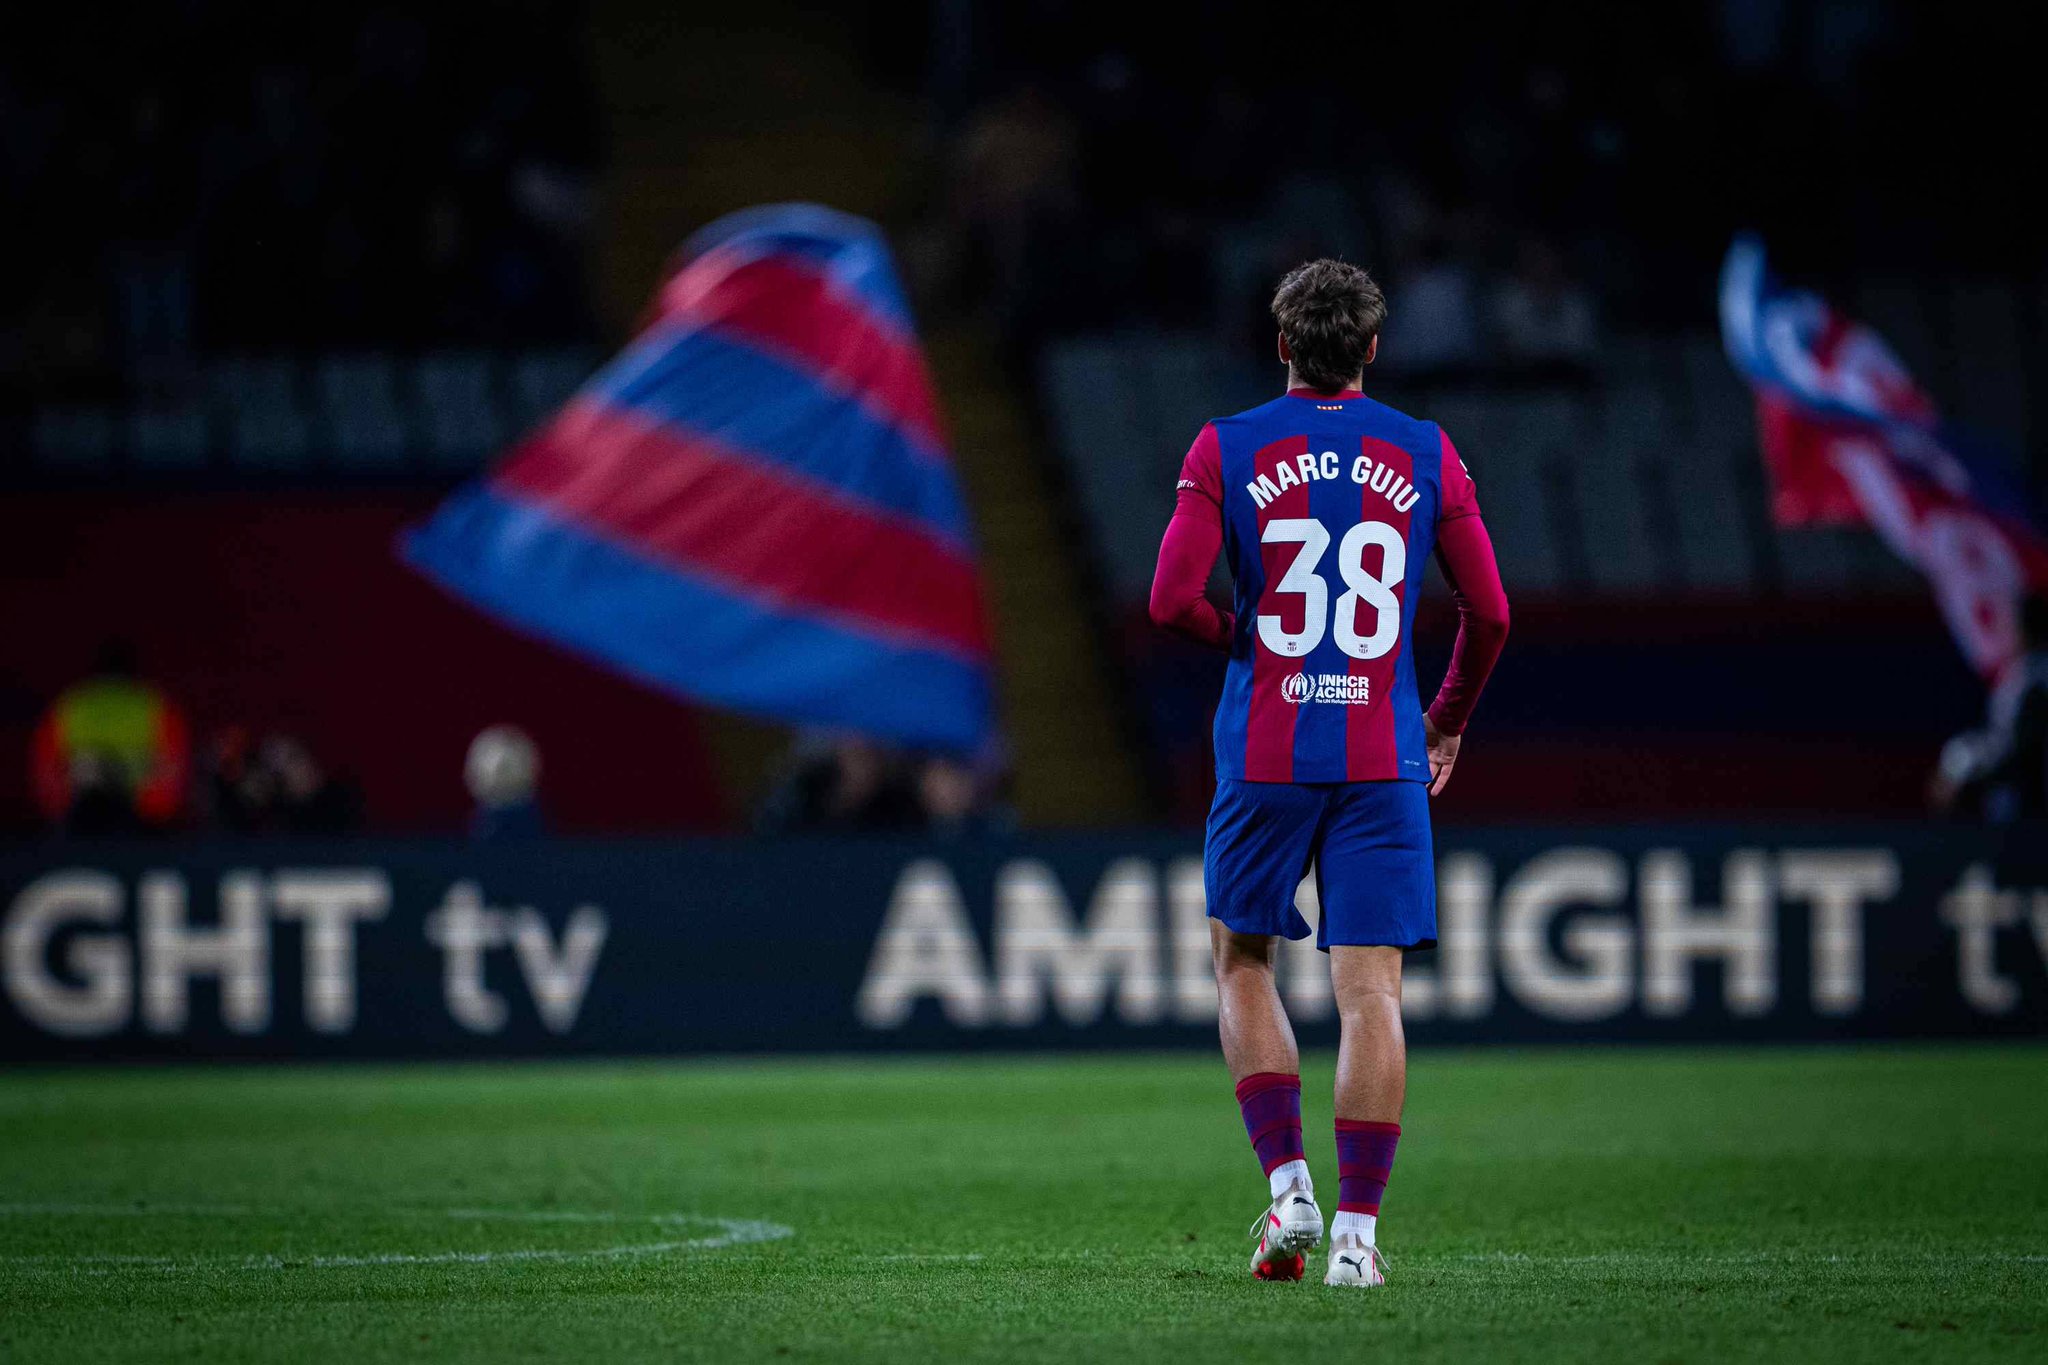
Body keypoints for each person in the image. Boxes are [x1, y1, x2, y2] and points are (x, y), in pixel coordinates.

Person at [1148, 259, 1509, 1288]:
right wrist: (1441, 720)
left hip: (1264, 750)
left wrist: (1243, 639)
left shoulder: (1224, 447)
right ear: (1371, 351)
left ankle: (1286, 1189)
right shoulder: (1425, 449)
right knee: (1371, 994)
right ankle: (1354, 1238)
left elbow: (1169, 601)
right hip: (1380, 754)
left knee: (1241, 959)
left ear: (1281, 348)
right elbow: (1491, 615)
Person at [29, 640, 191, 834]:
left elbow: (46, 771)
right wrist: (154, 814)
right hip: (140, 824)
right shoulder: (156, 706)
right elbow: (173, 768)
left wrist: (59, 812)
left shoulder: (70, 705)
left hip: (80, 821)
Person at [1932, 596, 2048, 822]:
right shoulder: (2018, 675)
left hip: (2027, 804)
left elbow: (2018, 746)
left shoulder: (2031, 681)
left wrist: (1961, 769)